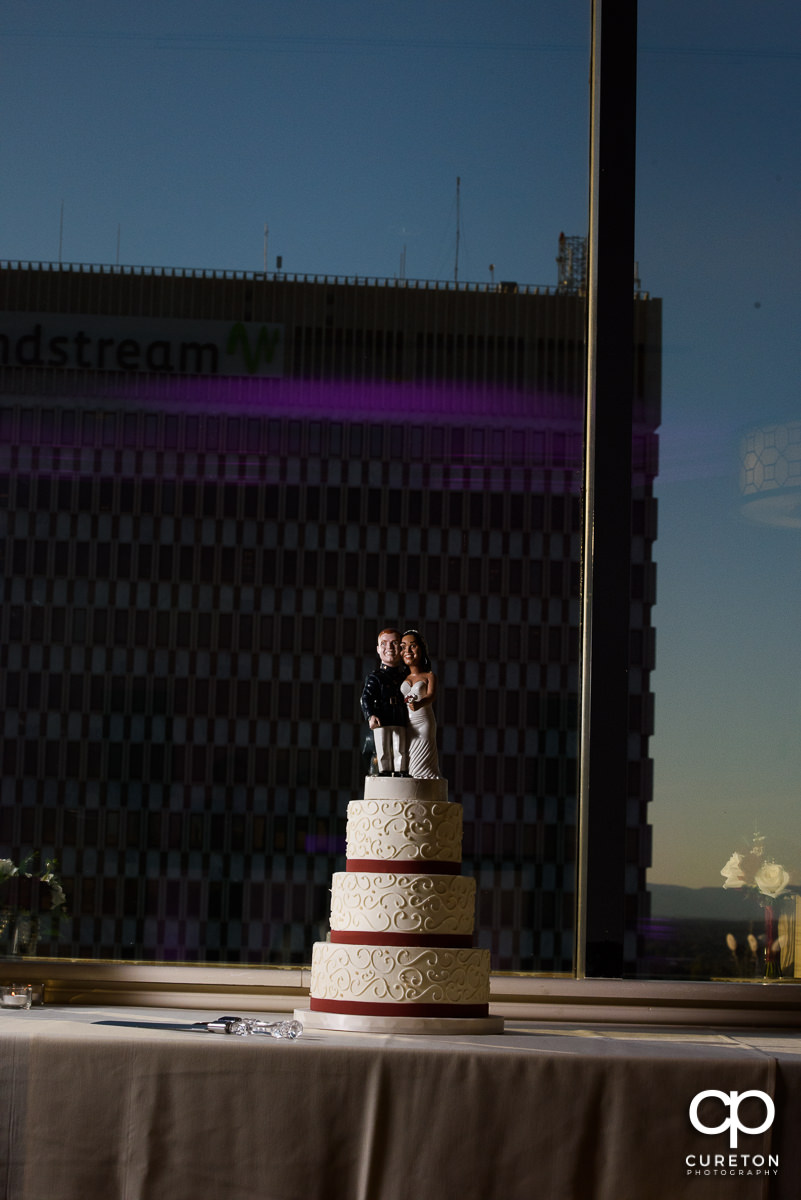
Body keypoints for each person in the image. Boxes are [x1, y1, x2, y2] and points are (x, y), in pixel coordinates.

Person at [360, 628, 409, 776]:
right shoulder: (375, 677)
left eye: (395, 643)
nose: (389, 648)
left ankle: (401, 771)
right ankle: (385, 771)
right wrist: (370, 715)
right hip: (382, 716)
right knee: (382, 747)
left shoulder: (405, 676)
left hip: (399, 717)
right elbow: (365, 697)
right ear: (378, 649)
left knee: (400, 747)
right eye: (384, 643)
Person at [400, 629, 440, 779]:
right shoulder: (402, 677)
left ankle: (425, 782)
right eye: (403, 647)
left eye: (413, 646)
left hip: (423, 722)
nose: (408, 651)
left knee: (422, 760)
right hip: (407, 723)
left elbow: (431, 696)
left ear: (421, 649)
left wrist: (419, 703)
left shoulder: (429, 676)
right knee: (407, 756)